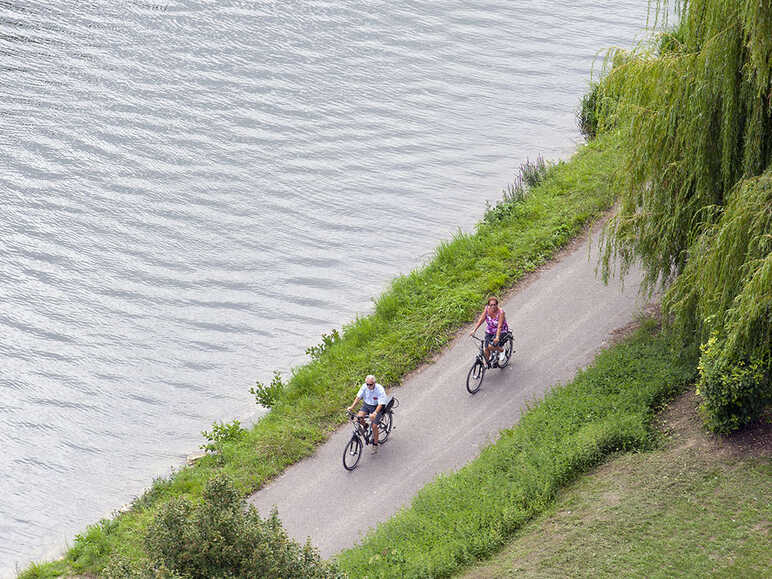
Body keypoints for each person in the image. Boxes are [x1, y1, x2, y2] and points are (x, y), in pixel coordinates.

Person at [347, 375, 388, 454]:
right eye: (367, 384)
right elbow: (358, 397)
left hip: (377, 407)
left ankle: (375, 444)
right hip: (367, 405)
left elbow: (380, 404)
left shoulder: (379, 389)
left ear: (374, 383)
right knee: (359, 418)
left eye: (370, 384)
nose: (368, 386)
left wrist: (375, 413)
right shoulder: (364, 387)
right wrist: (351, 407)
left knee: (374, 426)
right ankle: (365, 425)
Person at [470, 296, 509, 368]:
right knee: (486, 349)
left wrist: (497, 337)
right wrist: (474, 330)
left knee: (491, 346)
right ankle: (486, 364)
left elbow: (499, 326)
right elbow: (481, 319)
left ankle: (502, 351)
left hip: (501, 331)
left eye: (494, 304)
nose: (493, 306)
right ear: (488, 305)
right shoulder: (487, 310)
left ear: (497, 305)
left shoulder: (501, 312)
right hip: (490, 330)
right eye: (491, 305)